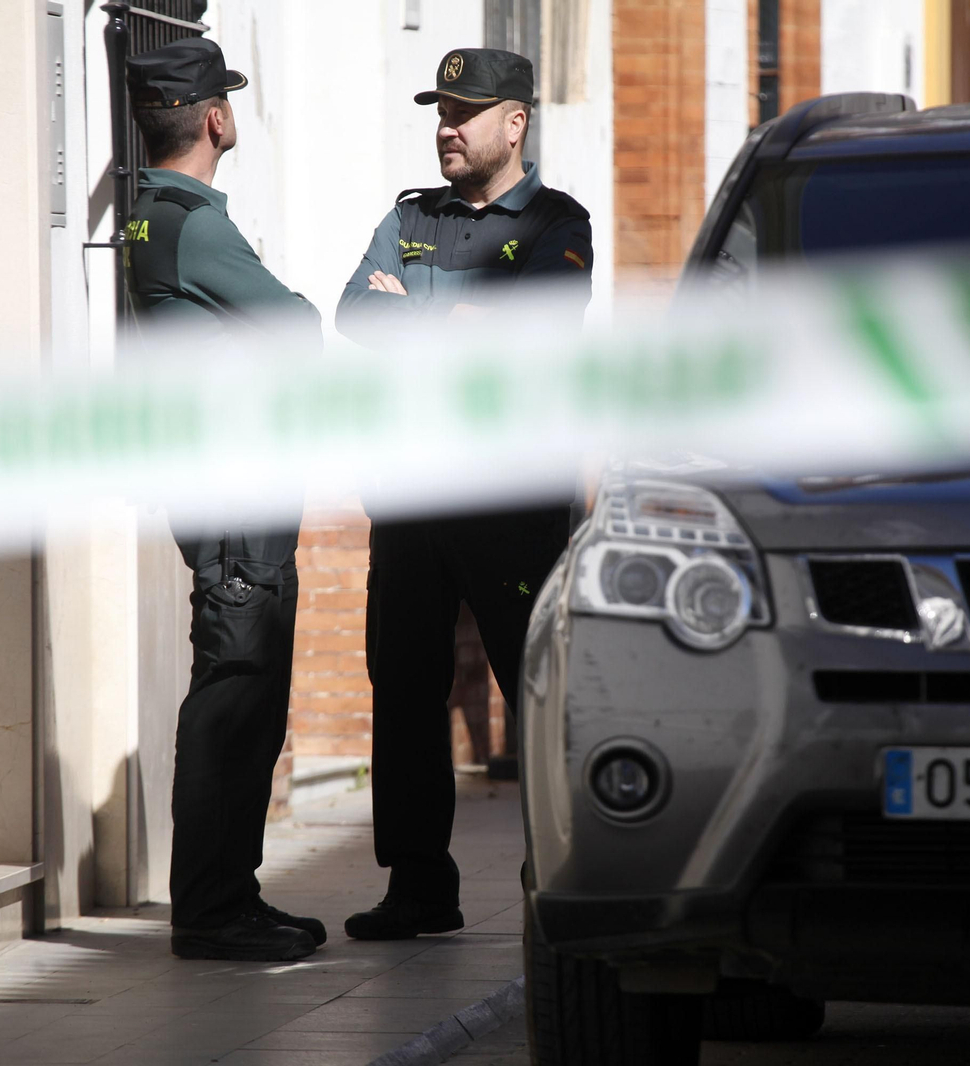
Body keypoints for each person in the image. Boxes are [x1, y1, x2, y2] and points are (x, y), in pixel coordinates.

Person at [336, 48, 594, 940]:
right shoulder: (411, 217)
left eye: (465, 112)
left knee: (539, 688)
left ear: (515, 122)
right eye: (440, 111)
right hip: (410, 494)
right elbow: (353, 313)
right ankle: (418, 887)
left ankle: (558, 875)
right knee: (404, 686)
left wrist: (415, 313)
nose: (446, 126)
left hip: (511, 504)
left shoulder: (559, 221)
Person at [124, 37, 324, 962]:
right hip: (237, 498)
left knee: (233, 692)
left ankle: (222, 899)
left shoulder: (147, 214)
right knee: (235, 698)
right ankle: (214, 908)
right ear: (213, 117)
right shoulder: (194, 222)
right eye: (228, 101)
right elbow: (297, 327)